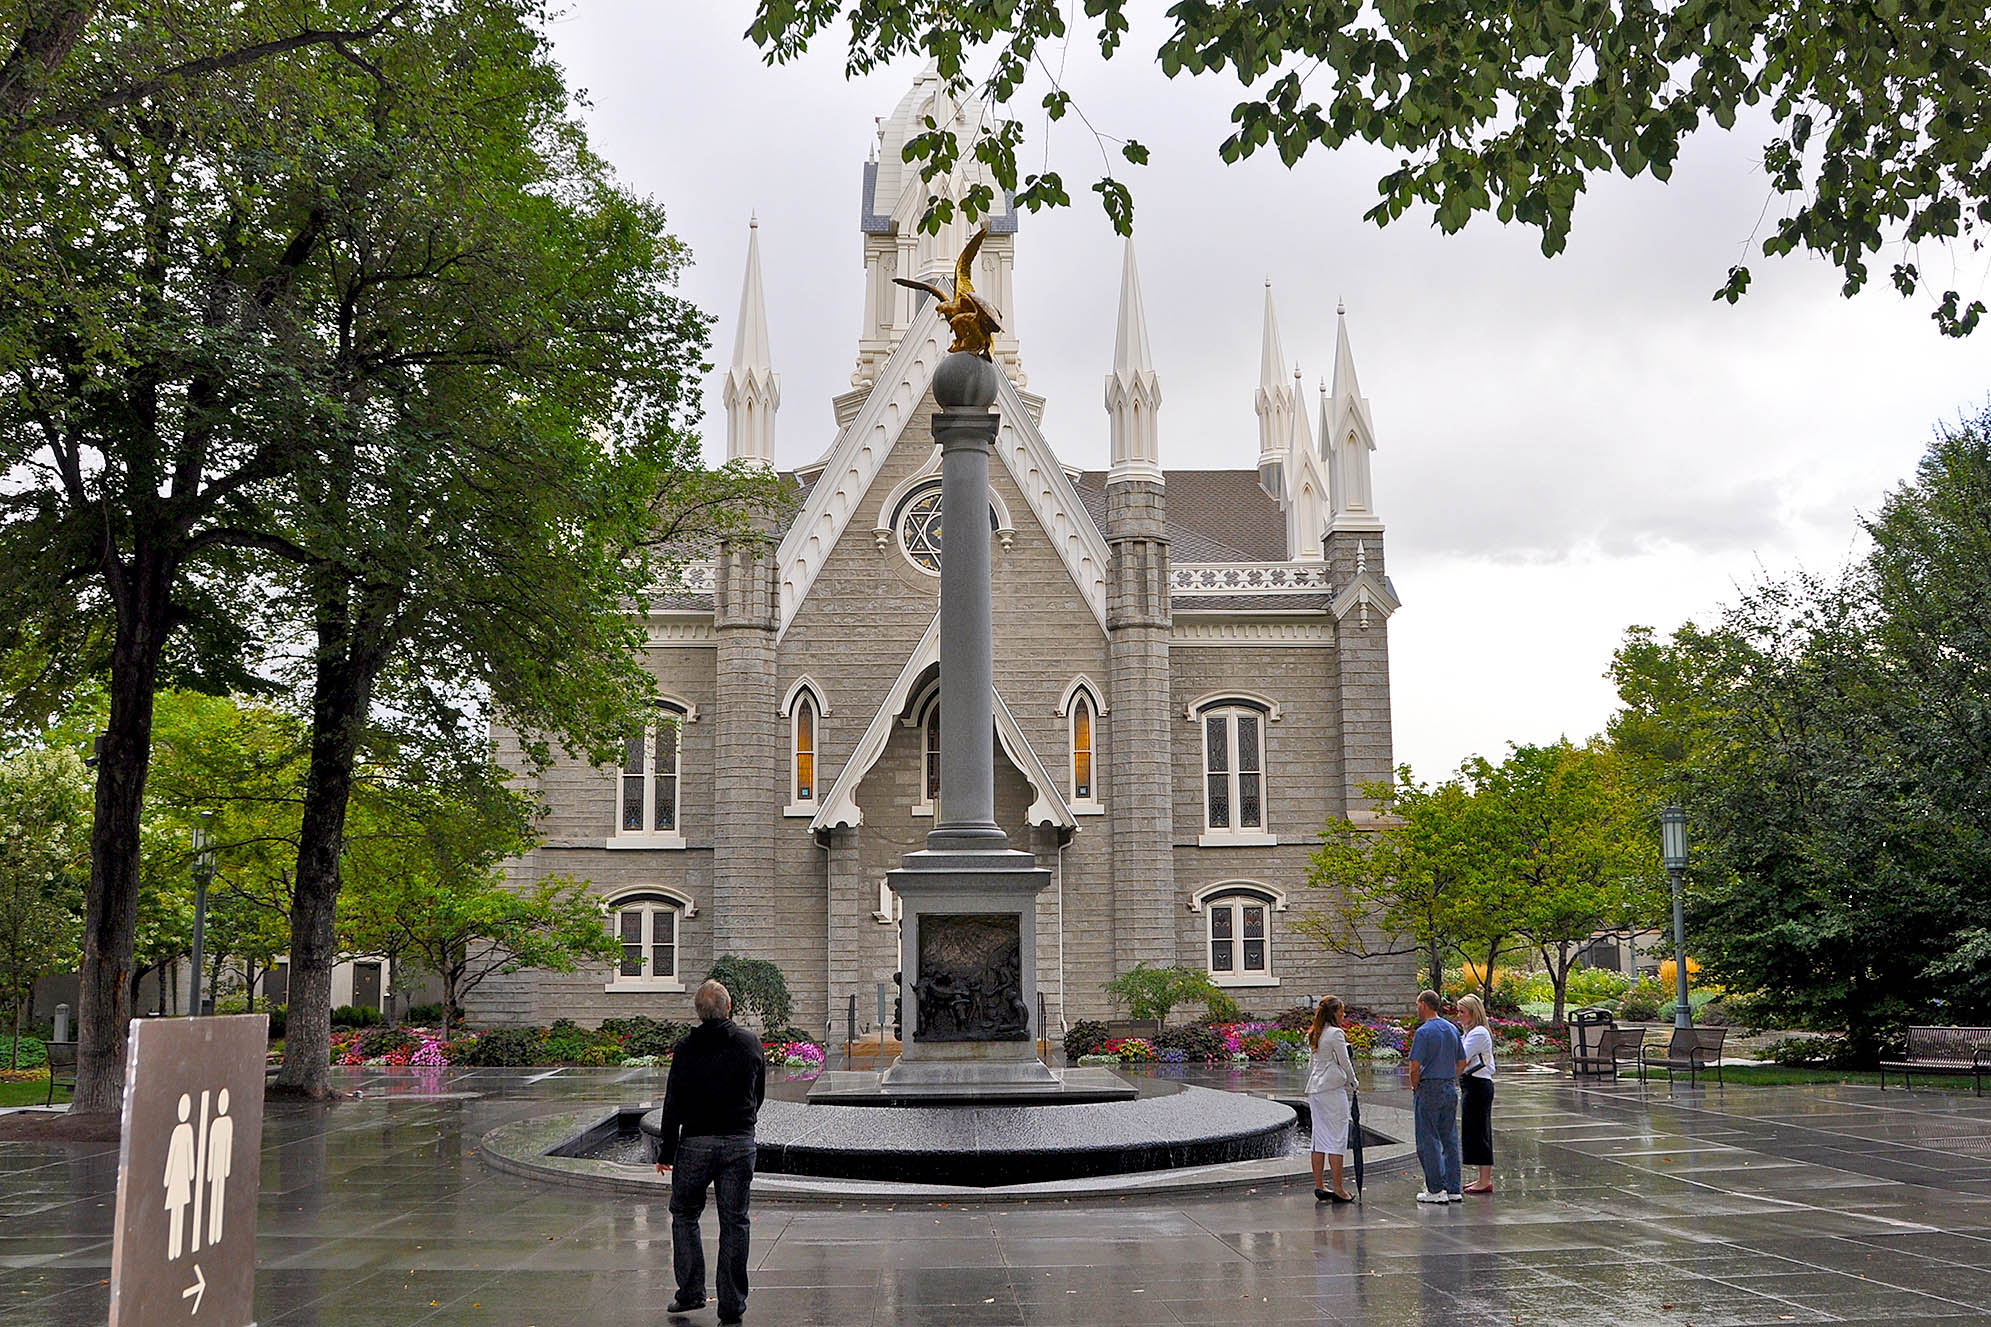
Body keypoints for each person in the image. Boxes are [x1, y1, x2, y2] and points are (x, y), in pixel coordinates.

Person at [656, 979, 766, 1324]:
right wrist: (744, 1122)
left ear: (698, 1013)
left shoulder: (687, 1048)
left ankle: (690, 1293)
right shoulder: (749, 1043)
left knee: (685, 1215)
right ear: (728, 1008)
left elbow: (673, 1101)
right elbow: (757, 1093)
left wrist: (666, 1151)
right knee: (735, 1221)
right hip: (738, 1142)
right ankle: (731, 1305)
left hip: (695, 1144)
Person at [1404, 988, 1464, 1204]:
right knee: (1449, 1138)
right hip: (1449, 1086)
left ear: (1423, 1005)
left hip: (1429, 1087)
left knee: (1428, 1139)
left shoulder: (1424, 1032)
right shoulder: (1452, 1029)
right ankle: (1454, 1187)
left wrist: (1415, 1086)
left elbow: (1414, 1067)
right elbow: (1462, 1061)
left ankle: (1436, 1189)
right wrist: (1450, 1077)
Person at [1305, 996, 1358, 1204]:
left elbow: (1311, 1065)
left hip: (1315, 1090)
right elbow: (1345, 1062)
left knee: (1319, 1138)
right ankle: (1338, 1188)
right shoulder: (1336, 1033)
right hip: (1331, 1090)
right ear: (1335, 1013)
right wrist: (1354, 1082)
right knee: (1337, 1138)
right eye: (1342, 1011)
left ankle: (1319, 1184)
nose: (1344, 1015)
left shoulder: (1316, 1033)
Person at [1456, 993, 1497, 1194]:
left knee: (1480, 1131)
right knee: (1475, 1129)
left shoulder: (1479, 1033)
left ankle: (1485, 1179)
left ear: (1473, 1013)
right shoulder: (1470, 1032)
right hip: (1472, 1084)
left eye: (1462, 1012)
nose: (1459, 1016)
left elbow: (1461, 1057)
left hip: (1478, 1085)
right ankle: (1482, 1177)